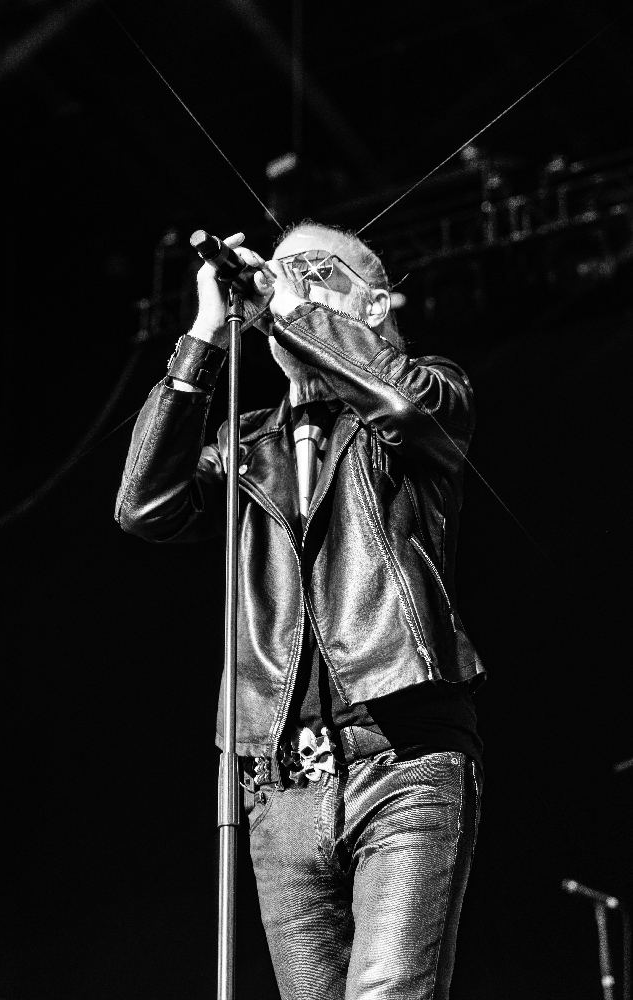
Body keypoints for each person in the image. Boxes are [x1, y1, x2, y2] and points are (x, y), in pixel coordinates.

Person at [116, 221, 485, 1000]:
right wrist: (205, 334)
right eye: (280, 276)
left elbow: (400, 403)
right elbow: (144, 507)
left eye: (316, 269)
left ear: (376, 302)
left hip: (403, 765)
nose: (288, 286)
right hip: (279, 786)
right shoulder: (245, 444)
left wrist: (292, 306)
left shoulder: (428, 394)